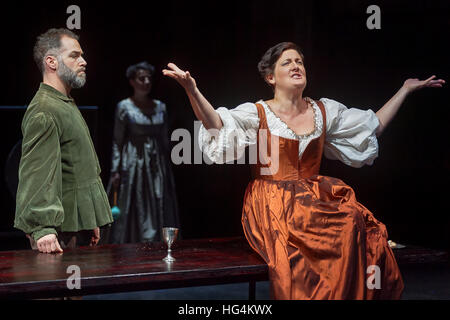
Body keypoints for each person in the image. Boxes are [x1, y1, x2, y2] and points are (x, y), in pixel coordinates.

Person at [162, 42, 445, 299]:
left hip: (314, 196)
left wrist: (404, 90)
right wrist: (192, 90)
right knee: (303, 243)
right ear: (271, 77)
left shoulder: (324, 111)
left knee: (353, 222)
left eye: (299, 61)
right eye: (287, 62)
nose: (296, 66)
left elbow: (371, 127)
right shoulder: (257, 113)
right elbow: (217, 126)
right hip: (272, 201)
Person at [14, 28, 113, 254]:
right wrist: (42, 228)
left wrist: (89, 218)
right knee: (61, 290)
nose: (84, 61)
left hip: (74, 227)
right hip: (57, 233)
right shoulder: (45, 110)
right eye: (74, 55)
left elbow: (77, 169)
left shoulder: (63, 102)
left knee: (75, 290)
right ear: (51, 62)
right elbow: (37, 174)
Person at [108, 61, 180, 243]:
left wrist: (167, 166)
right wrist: (115, 170)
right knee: (135, 200)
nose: (146, 81)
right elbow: (118, 140)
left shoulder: (160, 106)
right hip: (133, 160)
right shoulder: (124, 106)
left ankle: (158, 243)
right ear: (132, 82)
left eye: (149, 78)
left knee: (158, 199)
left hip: (156, 162)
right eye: (142, 78)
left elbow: (164, 138)